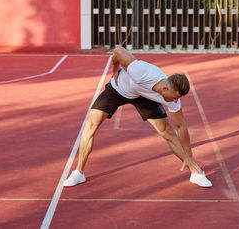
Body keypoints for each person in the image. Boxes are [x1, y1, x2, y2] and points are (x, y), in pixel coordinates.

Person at [63, 46, 212, 188]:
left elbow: (181, 126)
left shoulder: (172, 96)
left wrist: (188, 156)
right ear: (165, 88)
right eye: (173, 98)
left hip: (143, 96)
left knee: (167, 131)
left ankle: (196, 172)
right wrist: (115, 70)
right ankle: (79, 172)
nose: (175, 101)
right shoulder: (140, 71)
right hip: (118, 89)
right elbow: (118, 50)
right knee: (91, 124)